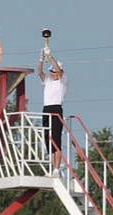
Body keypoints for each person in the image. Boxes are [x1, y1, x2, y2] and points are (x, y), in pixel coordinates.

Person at [37, 46, 68, 176]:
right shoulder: (48, 81)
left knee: (56, 139)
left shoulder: (63, 81)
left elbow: (59, 71)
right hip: (46, 109)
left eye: (54, 71)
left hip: (56, 109)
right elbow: (39, 72)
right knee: (47, 139)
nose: (52, 73)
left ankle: (57, 168)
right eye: (51, 71)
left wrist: (50, 57)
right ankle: (52, 168)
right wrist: (41, 58)